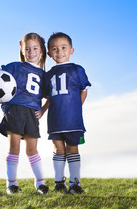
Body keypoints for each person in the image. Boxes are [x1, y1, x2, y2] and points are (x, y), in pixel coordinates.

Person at [0, 33, 49, 194]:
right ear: (21, 49)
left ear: (41, 50)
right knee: (14, 147)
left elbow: (51, 96)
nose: (31, 52)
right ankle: (11, 183)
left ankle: (40, 183)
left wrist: (43, 110)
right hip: (15, 110)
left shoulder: (44, 75)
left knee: (32, 149)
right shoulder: (15, 67)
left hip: (32, 113)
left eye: (35, 48)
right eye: (27, 48)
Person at [42, 32, 91, 194]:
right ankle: (59, 183)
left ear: (71, 50)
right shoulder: (48, 75)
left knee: (73, 148)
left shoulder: (77, 70)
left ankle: (74, 184)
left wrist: (77, 107)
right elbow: (48, 97)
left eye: (63, 48)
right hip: (55, 120)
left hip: (73, 120)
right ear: (49, 53)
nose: (59, 52)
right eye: (55, 49)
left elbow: (84, 91)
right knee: (58, 149)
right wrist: (42, 111)